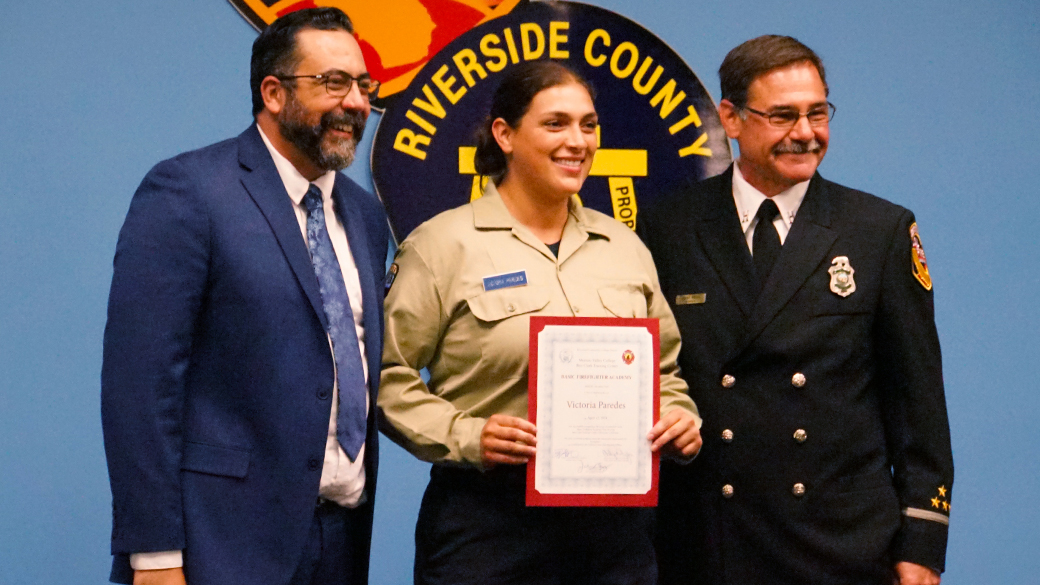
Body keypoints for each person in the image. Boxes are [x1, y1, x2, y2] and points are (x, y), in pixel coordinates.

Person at [640, 35, 954, 585]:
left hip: (840, 544)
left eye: (817, 113)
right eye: (784, 116)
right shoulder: (668, 227)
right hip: (708, 540)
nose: (806, 134)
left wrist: (923, 542)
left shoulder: (878, 230)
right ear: (731, 119)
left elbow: (918, 401)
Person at [378, 60, 703, 585]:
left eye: (588, 125)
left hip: (615, 533)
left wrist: (680, 418)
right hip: (488, 524)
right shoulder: (442, 245)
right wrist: (468, 435)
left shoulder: (625, 247)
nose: (578, 141)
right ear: (504, 135)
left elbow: (664, 373)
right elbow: (385, 379)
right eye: (556, 124)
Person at [101, 8, 388, 585]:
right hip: (219, 545)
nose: (356, 102)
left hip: (341, 541)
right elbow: (140, 387)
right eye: (333, 82)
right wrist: (155, 556)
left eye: (362, 85)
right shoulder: (189, 191)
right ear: (274, 93)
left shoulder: (364, 215)